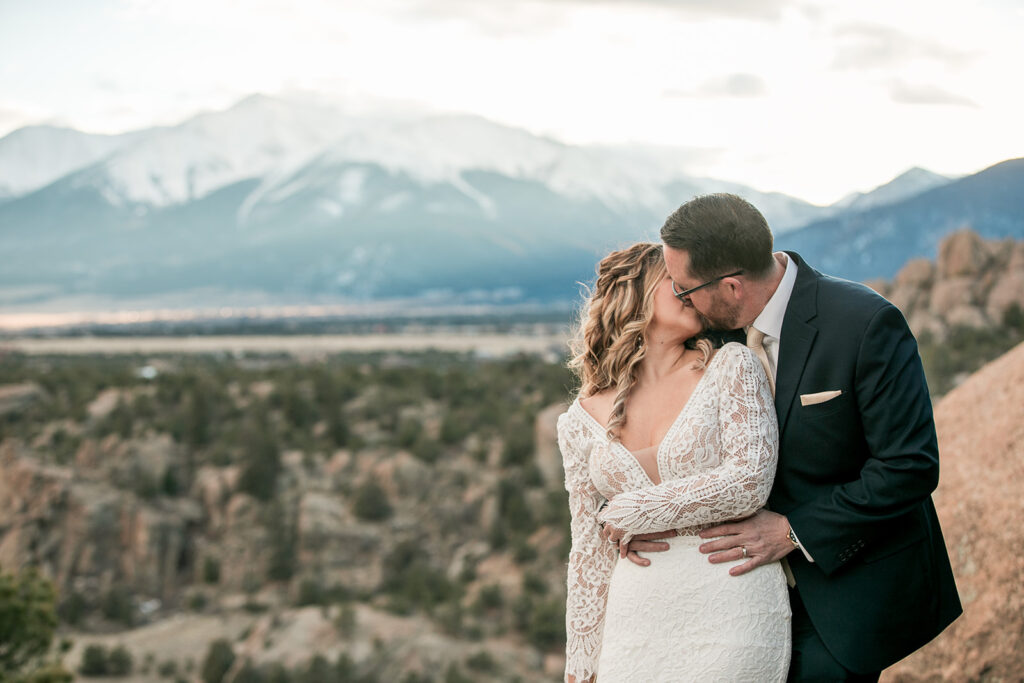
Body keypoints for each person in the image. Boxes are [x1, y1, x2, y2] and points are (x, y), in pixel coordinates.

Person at [618, 193, 961, 681]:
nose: (678, 297)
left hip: (845, 590)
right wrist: (635, 518)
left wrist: (790, 532)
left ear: (732, 286)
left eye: (683, 287)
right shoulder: (709, 334)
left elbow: (910, 466)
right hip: (736, 598)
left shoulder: (864, 324)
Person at [558, 242, 791, 683]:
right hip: (634, 624)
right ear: (636, 293)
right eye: (676, 283)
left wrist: (631, 513)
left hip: (731, 603)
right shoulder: (577, 422)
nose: (690, 292)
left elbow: (749, 480)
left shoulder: (732, 367)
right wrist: (581, 666)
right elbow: (588, 553)